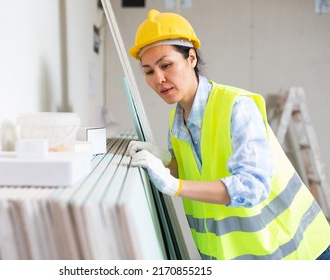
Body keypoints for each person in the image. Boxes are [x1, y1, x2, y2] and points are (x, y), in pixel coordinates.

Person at [126, 9, 330, 260]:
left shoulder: (236, 106)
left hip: (295, 255)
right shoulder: (177, 118)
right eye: (148, 71)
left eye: (166, 65)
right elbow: (193, 171)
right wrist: (166, 162)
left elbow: (252, 186)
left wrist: (175, 186)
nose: (159, 79)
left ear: (191, 58)